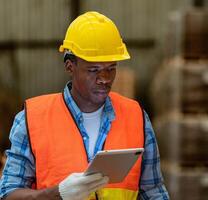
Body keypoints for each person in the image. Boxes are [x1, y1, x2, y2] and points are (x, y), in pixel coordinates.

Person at [0, 11, 169, 200]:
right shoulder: (32, 120)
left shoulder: (136, 117)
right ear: (70, 67)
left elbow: (154, 192)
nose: (104, 79)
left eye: (111, 69)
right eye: (94, 70)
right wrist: (57, 194)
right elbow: (8, 194)